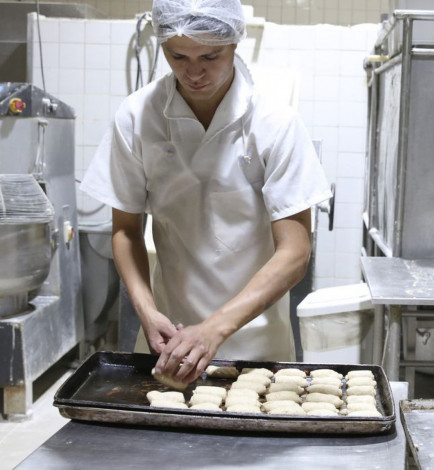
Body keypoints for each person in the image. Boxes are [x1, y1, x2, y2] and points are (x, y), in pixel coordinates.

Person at [80, 0, 331, 385]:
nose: (193, 72)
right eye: (178, 56)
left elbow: (295, 251)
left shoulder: (274, 123)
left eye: (210, 57)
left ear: (234, 44)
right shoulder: (138, 116)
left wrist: (215, 328)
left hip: (257, 346)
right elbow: (126, 230)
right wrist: (147, 311)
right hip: (170, 343)